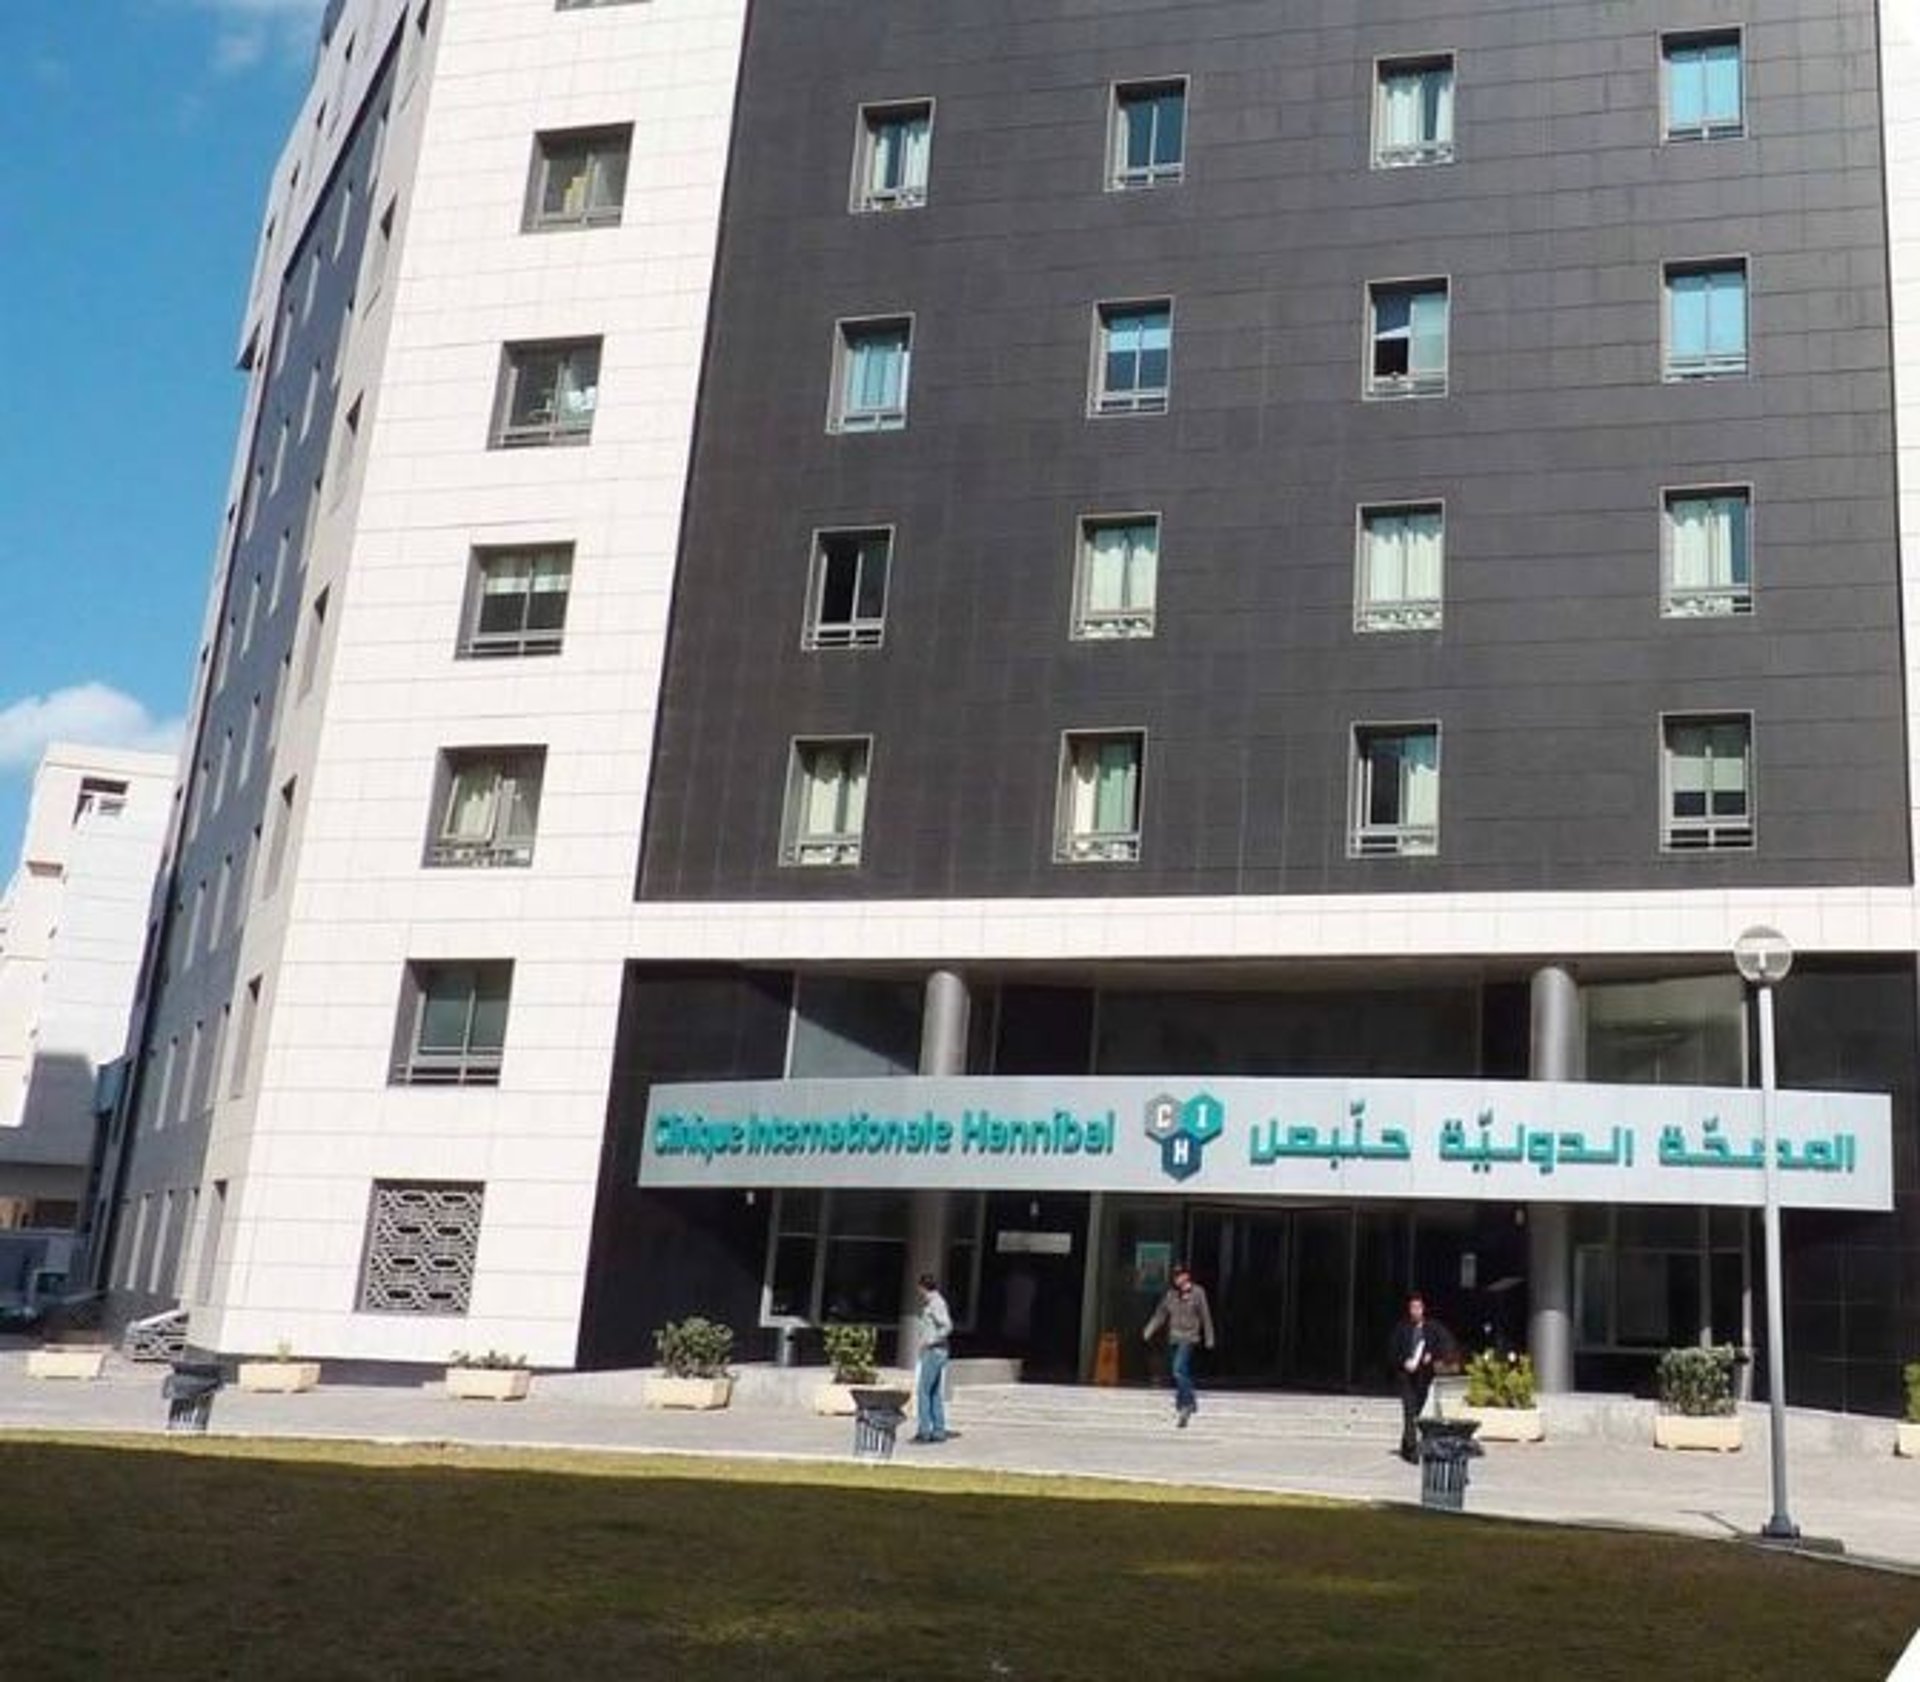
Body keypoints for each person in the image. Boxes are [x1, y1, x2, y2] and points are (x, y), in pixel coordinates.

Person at [1142, 1262, 1215, 1427]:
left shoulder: (1198, 1293)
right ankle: (1187, 1404)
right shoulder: (1170, 1295)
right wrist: (1149, 1329)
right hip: (1174, 1337)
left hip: (1189, 1338)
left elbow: (1205, 1315)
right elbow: (1160, 1314)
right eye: (1175, 1276)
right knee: (1182, 1371)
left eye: (1180, 1275)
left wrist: (1210, 1337)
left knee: (1178, 1369)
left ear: (1187, 1276)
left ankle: (1186, 1404)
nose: (1177, 1279)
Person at [1388, 1292, 1457, 1462]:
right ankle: (1412, 1451)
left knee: (1416, 1413)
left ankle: (1405, 1445)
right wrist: (1403, 1362)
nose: (1415, 1311)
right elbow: (1392, 1351)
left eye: (1418, 1307)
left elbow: (1446, 1344)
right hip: (1406, 1378)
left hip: (1423, 1378)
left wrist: (1433, 1357)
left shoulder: (1433, 1328)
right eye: (1412, 1308)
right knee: (1409, 1412)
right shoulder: (1402, 1329)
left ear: (1423, 1309)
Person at [911, 1271, 953, 1444]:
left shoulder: (936, 1303)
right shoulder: (933, 1302)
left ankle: (924, 1431)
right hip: (936, 1351)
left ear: (922, 1287)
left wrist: (931, 1341)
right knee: (934, 1392)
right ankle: (938, 1431)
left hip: (934, 1352)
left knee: (923, 1391)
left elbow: (947, 1326)